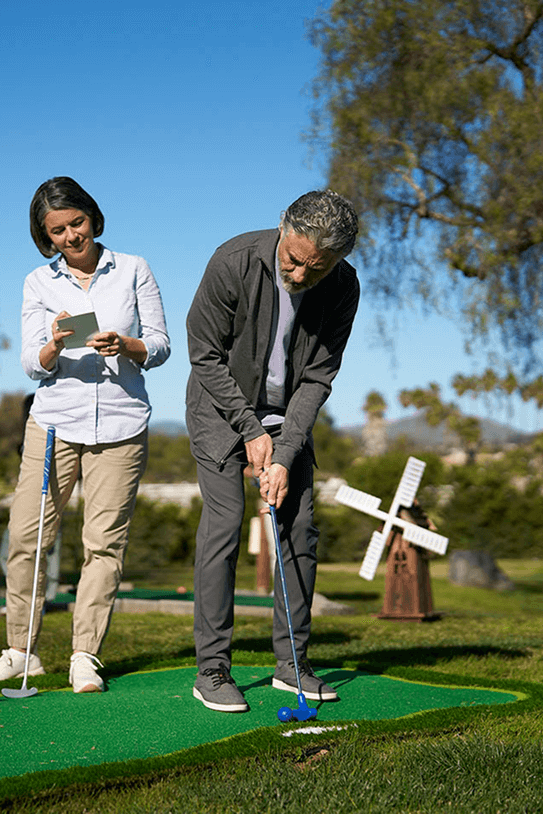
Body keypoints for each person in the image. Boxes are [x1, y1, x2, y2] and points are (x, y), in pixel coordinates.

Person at [0, 176, 170, 692]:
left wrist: (125, 345)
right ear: (46, 235)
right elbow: (29, 363)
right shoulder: (38, 282)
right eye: (57, 230)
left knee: (102, 545)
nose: (70, 237)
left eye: (76, 223)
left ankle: (85, 656)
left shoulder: (133, 269)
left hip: (122, 425)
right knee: (26, 536)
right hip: (54, 424)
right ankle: (21, 651)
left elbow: (162, 345)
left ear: (93, 217)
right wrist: (53, 346)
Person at [185, 189, 359, 712]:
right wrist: (250, 429)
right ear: (282, 227)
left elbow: (318, 377)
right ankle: (212, 669)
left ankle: (292, 664)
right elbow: (203, 353)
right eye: (294, 259)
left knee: (299, 529)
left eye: (317, 266)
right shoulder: (233, 261)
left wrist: (283, 451)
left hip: (288, 419)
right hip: (220, 411)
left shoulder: (343, 286)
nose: (301, 274)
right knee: (225, 527)